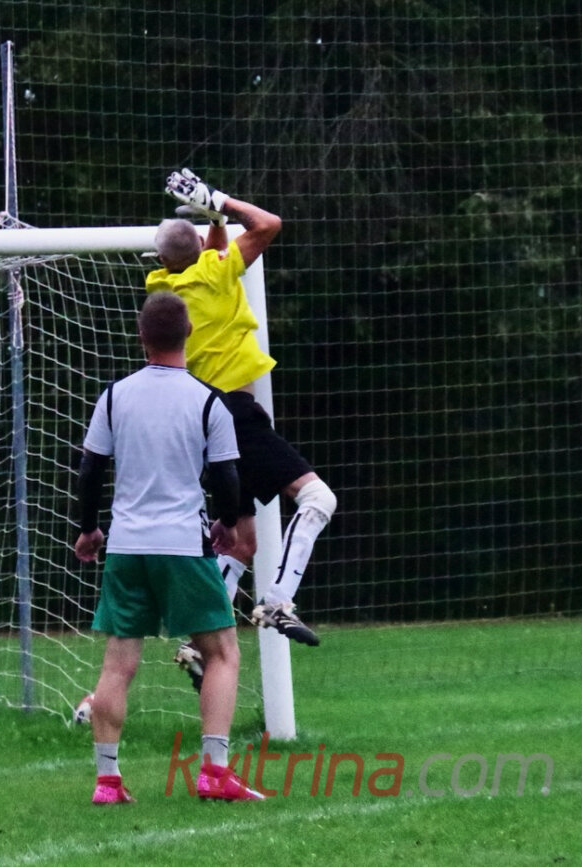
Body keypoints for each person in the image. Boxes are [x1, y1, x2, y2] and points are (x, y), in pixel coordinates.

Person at [74, 291, 264, 803]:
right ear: (190, 335)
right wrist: (227, 523)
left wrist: (89, 529)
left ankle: (107, 781)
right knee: (221, 652)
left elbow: (91, 469)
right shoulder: (208, 401)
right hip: (182, 545)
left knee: (118, 664)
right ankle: (215, 771)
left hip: (127, 547)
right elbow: (225, 475)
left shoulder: (114, 396)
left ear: (142, 336)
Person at [150, 169, 337, 678]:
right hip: (236, 414)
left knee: (239, 542)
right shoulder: (216, 273)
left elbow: (208, 256)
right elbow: (269, 224)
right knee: (318, 498)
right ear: (201, 252)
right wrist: (219, 201)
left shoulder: (163, 286)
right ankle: (278, 601)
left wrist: (213, 222)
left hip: (204, 424)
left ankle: (195, 644)